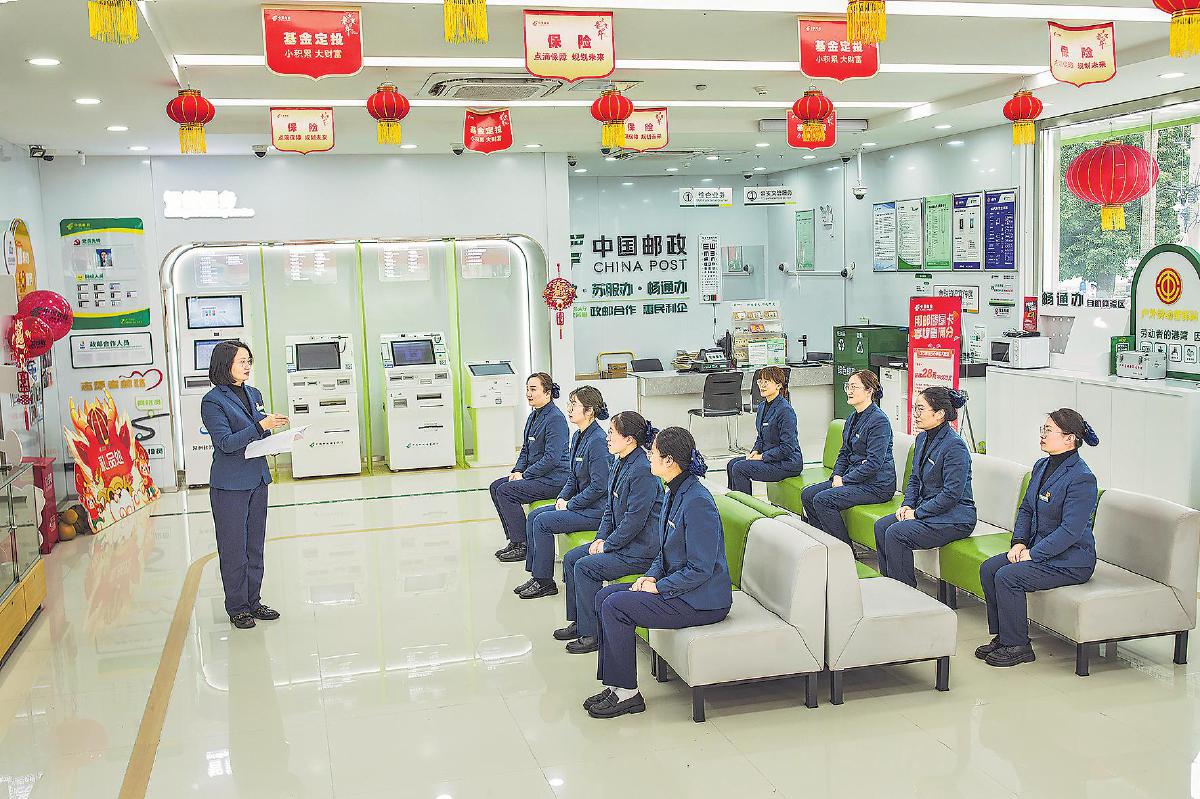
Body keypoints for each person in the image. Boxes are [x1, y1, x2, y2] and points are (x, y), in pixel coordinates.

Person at [584, 427, 732, 719]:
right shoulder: (673, 491)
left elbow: (701, 569)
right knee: (603, 597)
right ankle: (615, 685)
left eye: (653, 453)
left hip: (702, 600)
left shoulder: (698, 502)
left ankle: (628, 694)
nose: (648, 456)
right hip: (680, 589)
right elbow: (664, 551)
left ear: (669, 461)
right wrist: (651, 576)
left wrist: (660, 587)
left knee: (616, 606)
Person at [976, 409, 1100, 667]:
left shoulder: (1082, 478)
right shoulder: (1041, 466)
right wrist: (1019, 542)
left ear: (1070, 438)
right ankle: (1004, 637)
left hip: (1070, 560)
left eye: (1048, 430)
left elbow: (1070, 531)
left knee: (1008, 576)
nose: (1042, 435)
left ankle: (1018, 645)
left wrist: (1033, 554)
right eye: (1042, 429)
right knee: (989, 568)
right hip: (1039, 550)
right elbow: (1026, 509)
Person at [554, 412, 664, 654]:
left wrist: (608, 545)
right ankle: (581, 622)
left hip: (641, 549)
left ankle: (592, 634)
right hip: (622, 542)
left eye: (612, 433)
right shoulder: (620, 462)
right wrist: (600, 538)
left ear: (630, 439)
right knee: (572, 558)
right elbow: (609, 510)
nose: (608, 437)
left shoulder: (642, 470)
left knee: (585, 567)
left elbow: (634, 521)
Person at [200, 340, 289, 630]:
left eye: (249, 361)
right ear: (225, 364)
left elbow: (257, 436)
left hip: (257, 479)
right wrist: (261, 426)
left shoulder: (254, 393)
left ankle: (253, 602)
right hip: (230, 485)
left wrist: (274, 437)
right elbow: (226, 443)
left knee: (255, 546)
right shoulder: (213, 401)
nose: (247, 366)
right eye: (242, 361)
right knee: (234, 549)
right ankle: (237, 608)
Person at [516, 386, 613, 599]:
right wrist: (562, 497)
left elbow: (599, 487)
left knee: (542, 522)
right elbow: (572, 476)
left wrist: (571, 504)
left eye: (574, 405)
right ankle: (537, 575)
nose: (569, 409)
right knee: (534, 516)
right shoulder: (578, 436)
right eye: (569, 404)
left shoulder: (597, 441)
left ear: (589, 411)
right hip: (580, 504)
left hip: (595, 511)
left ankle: (544, 582)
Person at [874, 386, 976, 587]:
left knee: (896, 533)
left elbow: (951, 495)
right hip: (929, 509)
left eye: (921, 409)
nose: (915, 414)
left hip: (955, 517)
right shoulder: (921, 438)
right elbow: (914, 478)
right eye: (915, 408)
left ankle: (905, 593)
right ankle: (890, 586)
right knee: (881, 526)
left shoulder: (955, 446)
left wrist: (917, 513)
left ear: (939, 414)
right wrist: (907, 505)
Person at [801, 369, 896, 545]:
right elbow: (844, 452)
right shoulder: (852, 418)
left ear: (869, 391)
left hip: (876, 485)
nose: (849, 391)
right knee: (807, 494)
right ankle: (823, 545)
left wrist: (845, 480)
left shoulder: (879, 421)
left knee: (823, 500)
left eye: (854, 387)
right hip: (854, 478)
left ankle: (843, 551)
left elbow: (874, 463)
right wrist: (837, 475)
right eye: (848, 386)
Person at [491, 373, 569, 563]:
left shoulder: (555, 419)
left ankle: (523, 545)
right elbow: (525, 449)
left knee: (506, 492)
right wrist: (517, 471)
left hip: (555, 479)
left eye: (533, 389)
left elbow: (551, 459)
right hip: (537, 475)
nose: (528, 393)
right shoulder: (533, 416)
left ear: (547, 393)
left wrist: (525, 475)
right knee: (495, 486)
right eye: (527, 389)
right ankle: (514, 539)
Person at [725, 366, 804, 495]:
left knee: (739, 468)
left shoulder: (785, 410)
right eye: (760, 381)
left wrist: (761, 457)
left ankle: (745, 505)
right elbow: (761, 436)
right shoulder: (762, 406)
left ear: (778, 385)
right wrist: (755, 451)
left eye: (766, 382)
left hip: (786, 463)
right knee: (731, 464)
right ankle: (735, 502)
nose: (762, 385)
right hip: (770, 457)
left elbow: (787, 447)